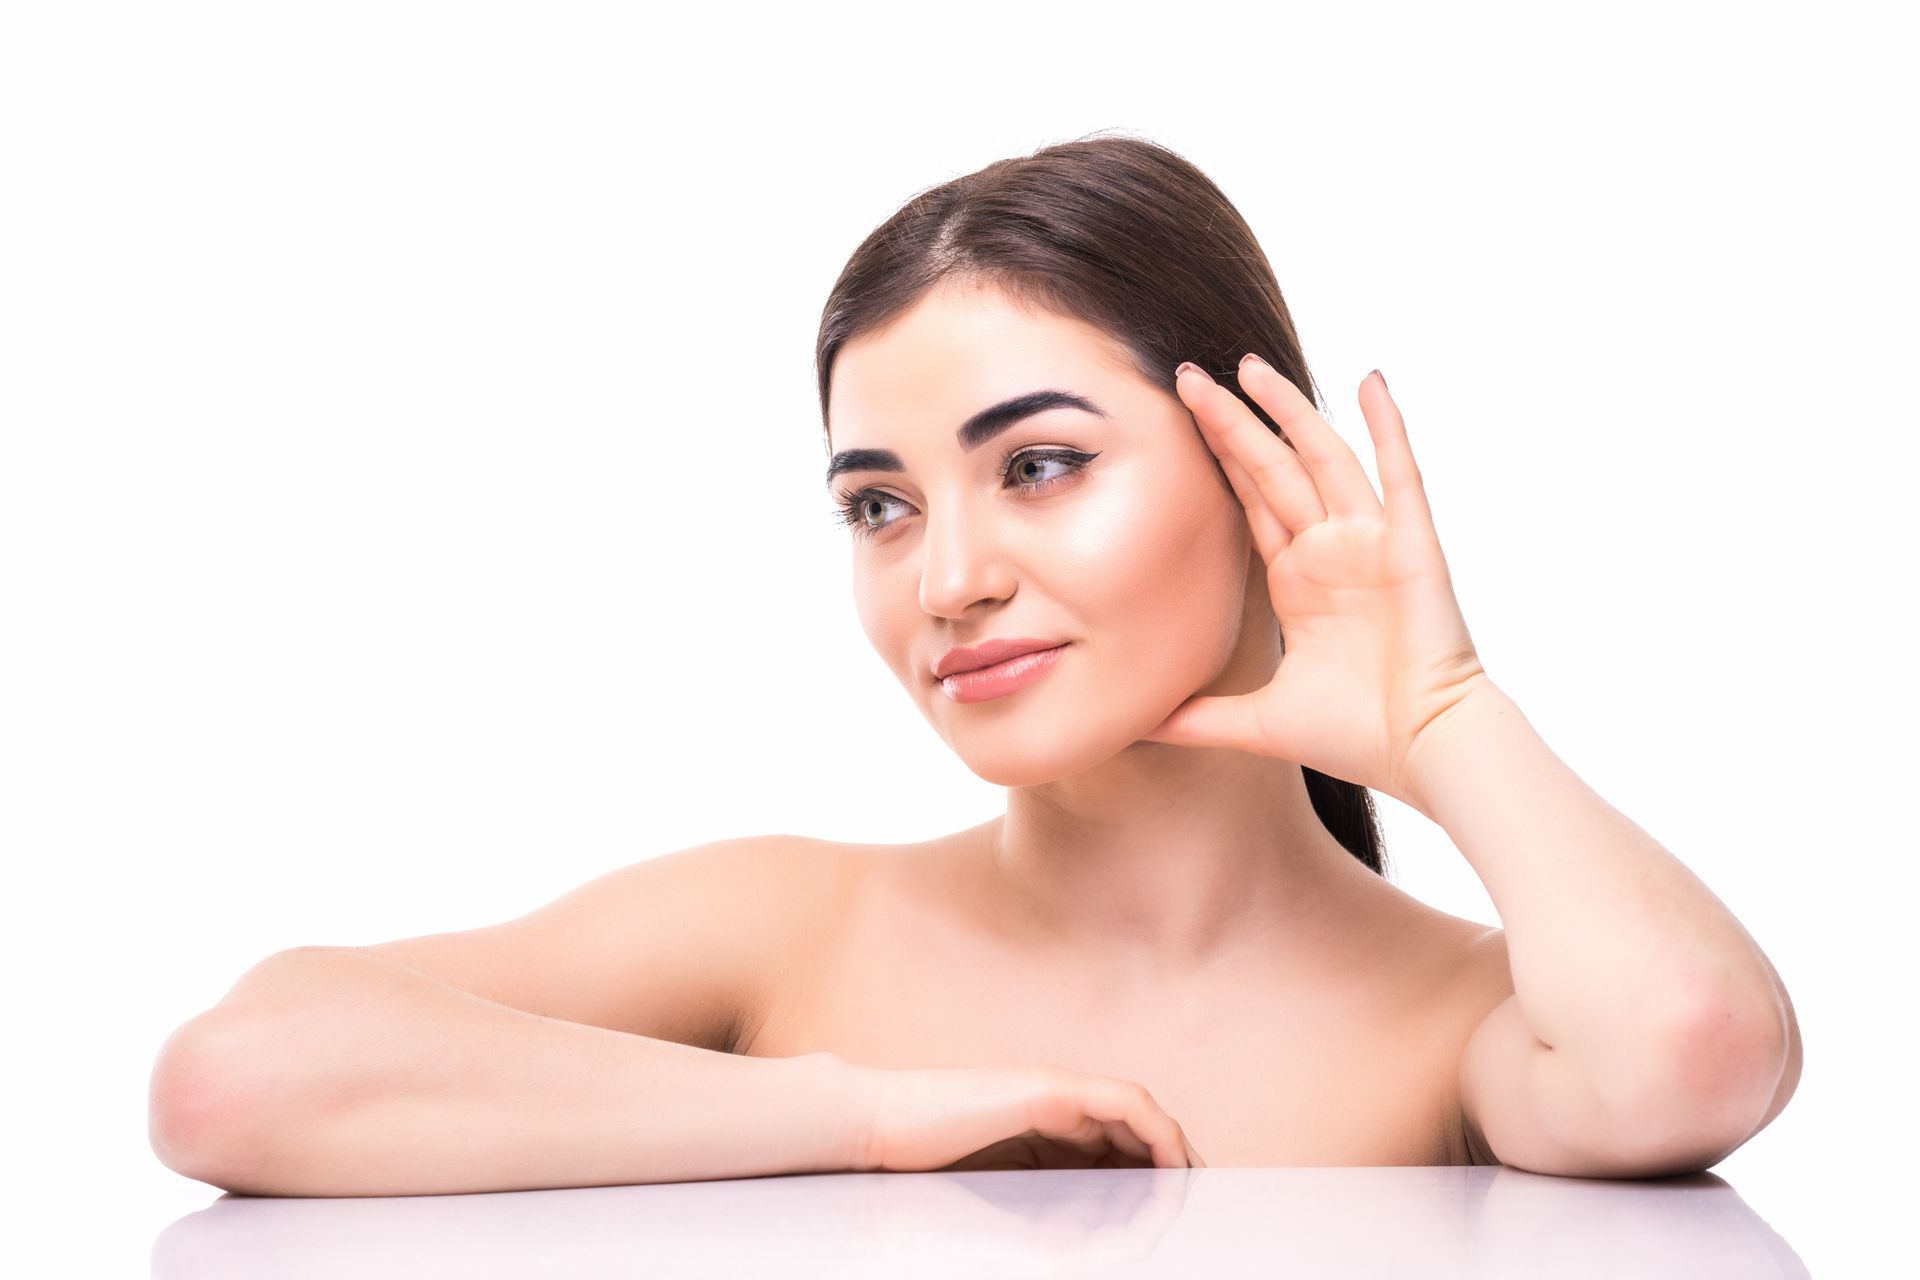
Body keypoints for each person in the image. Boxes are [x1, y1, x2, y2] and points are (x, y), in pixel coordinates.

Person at [148, 132, 1800, 1197]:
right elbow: (240, 1078)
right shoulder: (789, 927)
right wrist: (856, 1119)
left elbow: (1698, 1055)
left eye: (1040, 466)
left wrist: (1443, 719)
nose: (945, 580)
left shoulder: (1454, 1020)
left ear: (1254, 465)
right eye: (879, 504)